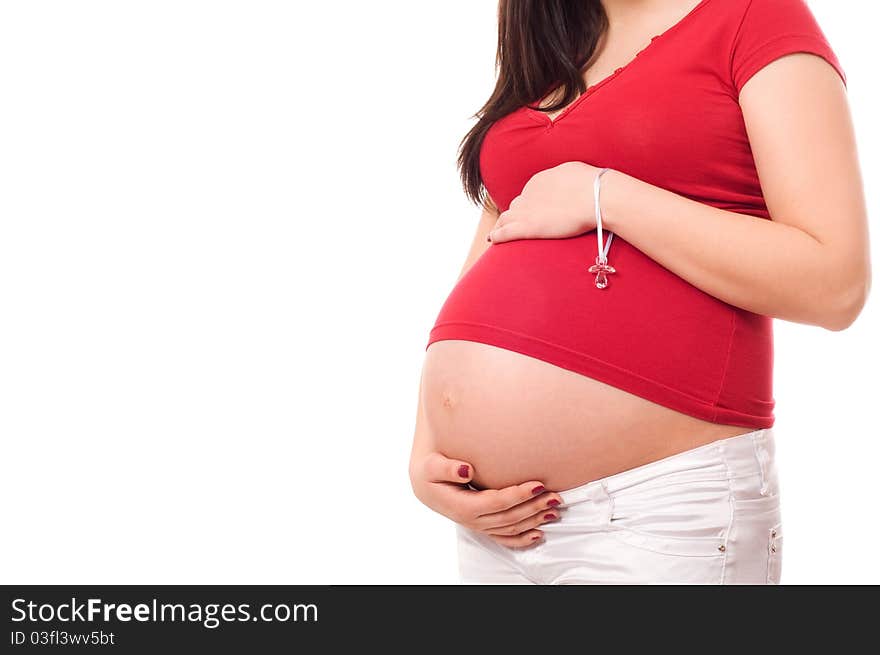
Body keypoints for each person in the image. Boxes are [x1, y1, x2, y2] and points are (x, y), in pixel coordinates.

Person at [409, 0, 871, 584]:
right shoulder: (553, 40)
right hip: (495, 526)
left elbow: (835, 284)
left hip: (660, 510)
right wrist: (429, 448)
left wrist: (607, 196)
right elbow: (495, 247)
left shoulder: (756, 16)